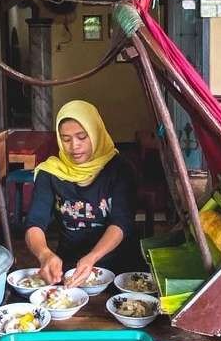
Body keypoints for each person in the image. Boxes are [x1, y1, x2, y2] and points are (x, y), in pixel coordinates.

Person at [24, 100, 140, 288]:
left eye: (82, 137)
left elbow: (121, 222)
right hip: (70, 268)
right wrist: (44, 254)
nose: (74, 146)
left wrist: (93, 257)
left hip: (120, 268)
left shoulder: (119, 169)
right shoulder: (51, 173)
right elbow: (35, 222)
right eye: (66, 139)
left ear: (96, 133)